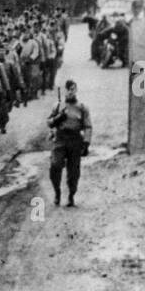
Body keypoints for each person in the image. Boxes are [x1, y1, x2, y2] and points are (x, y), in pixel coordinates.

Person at [47, 79, 93, 208]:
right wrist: (57, 118)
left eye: (73, 89)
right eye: (68, 89)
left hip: (75, 140)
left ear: (76, 90)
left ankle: (71, 196)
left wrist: (86, 143)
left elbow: (88, 126)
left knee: (73, 171)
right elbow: (49, 122)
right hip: (60, 139)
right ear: (64, 91)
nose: (70, 92)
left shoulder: (82, 107)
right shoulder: (57, 106)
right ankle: (57, 192)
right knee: (55, 166)